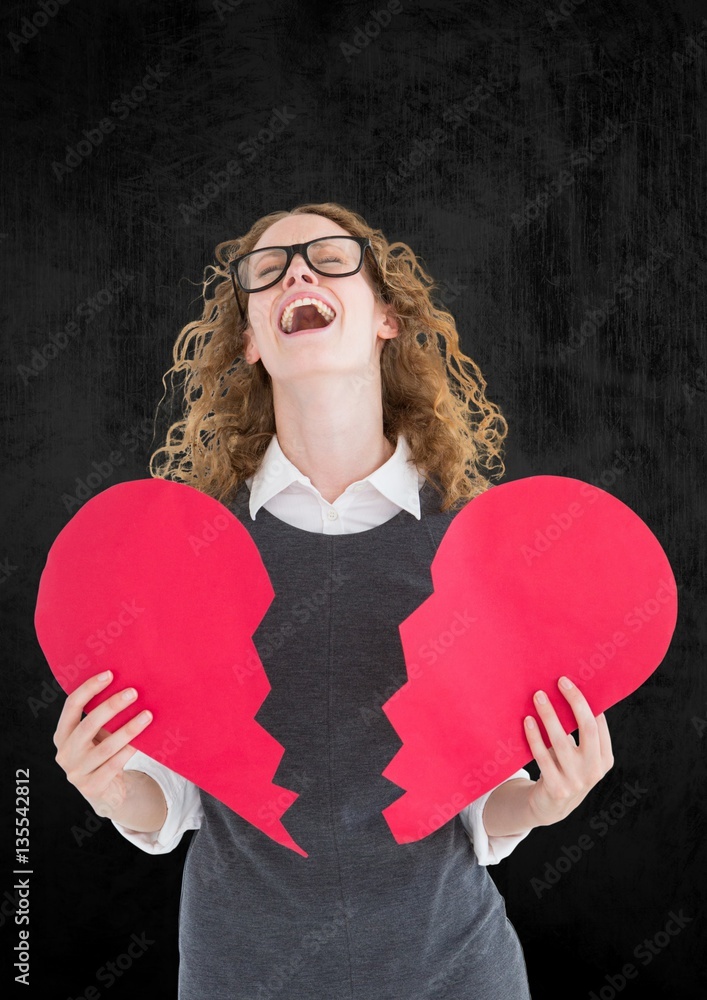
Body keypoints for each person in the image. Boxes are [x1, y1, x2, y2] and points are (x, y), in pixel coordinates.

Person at [53, 201, 614, 999]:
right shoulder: (190, 554)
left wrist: (541, 803)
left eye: (327, 257)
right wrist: (112, 791)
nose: (298, 273)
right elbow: (176, 801)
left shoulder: (468, 550)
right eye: (268, 271)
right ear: (250, 340)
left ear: (386, 316)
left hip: (452, 976)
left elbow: (468, 807)